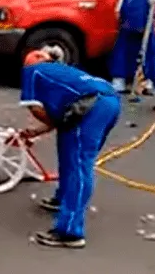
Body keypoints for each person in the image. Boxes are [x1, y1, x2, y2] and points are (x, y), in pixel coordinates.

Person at [18, 46, 120, 248]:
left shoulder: (32, 71)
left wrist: (37, 128)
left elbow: (35, 108)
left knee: (79, 164)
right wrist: (37, 132)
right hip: (108, 100)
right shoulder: (64, 71)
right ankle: (63, 198)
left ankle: (70, 231)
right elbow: (60, 118)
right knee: (67, 149)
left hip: (91, 106)